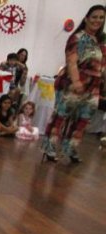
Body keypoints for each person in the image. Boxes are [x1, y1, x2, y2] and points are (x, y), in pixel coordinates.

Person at [41, 4, 106, 163]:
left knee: (83, 120)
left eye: (101, 17)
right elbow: (71, 61)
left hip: (93, 86)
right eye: (94, 17)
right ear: (86, 19)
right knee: (61, 116)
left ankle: (70, 149)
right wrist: (76, 81)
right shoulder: (77, 37)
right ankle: (49, 148)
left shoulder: (102, 41)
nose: (97, 20)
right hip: (73, 82)